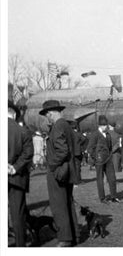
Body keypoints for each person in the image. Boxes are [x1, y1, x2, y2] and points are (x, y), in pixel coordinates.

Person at [39, 100, 80, 246]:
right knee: (68, 202)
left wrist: (51, 164)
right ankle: (74, 234)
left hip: (57, 171)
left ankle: (64, 239)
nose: (47, 117)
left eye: (46, 115)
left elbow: (62, 151)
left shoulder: (57, 127)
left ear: (50, 113)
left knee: (59, 205)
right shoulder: (66, 125)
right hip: (67, 171)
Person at [8, 100, 34, 247]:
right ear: (14, 114)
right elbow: (28, 154)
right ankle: (20, 245)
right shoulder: (23, 131)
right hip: (17, 177)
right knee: (18, 214)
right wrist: (14, 168)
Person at [87, 115, 120, 203]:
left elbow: (109, 147)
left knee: (112, 178)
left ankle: (114, 196)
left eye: (106, 125)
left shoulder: (108, 135)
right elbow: (90, 148)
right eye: (104, 125)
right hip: (99, 160)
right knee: (100, 179)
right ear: (100, 126)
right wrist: (96, 156)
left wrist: (109, 155)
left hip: (108, 159)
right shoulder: (95, 135)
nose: (106, 127)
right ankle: (102, 198)